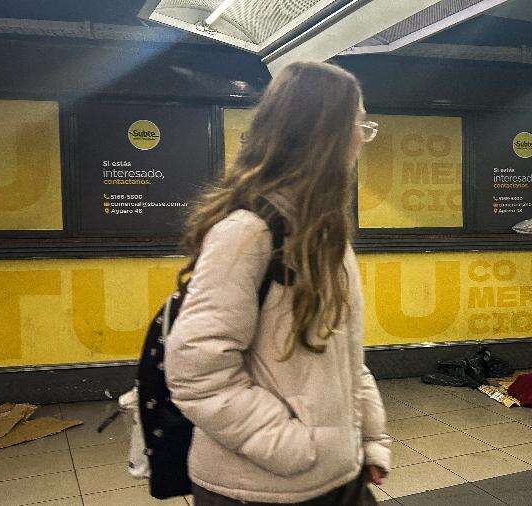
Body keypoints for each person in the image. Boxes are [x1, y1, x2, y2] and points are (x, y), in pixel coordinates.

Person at [164, 61, 390, 505]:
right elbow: (195, 369)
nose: (363, 137)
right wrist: (293, 448)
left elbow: (344, 354)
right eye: (359, 123)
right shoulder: (248, 233)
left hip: (334, 475)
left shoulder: (324, 232)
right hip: (262, 488)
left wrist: (368, 439)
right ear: (323, 135)